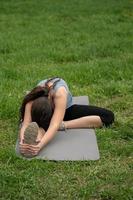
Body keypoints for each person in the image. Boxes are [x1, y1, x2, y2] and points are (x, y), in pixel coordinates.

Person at [19, 77, 114, 157]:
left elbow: (54, 125)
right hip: (41, 109)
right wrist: (22, 141)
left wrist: (40, 146)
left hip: (65, 109)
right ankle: (40, 127)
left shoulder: (59, 94)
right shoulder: (32, 97)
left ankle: (53, 126)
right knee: (37, 120)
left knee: (108, 116)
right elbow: (25, 123)